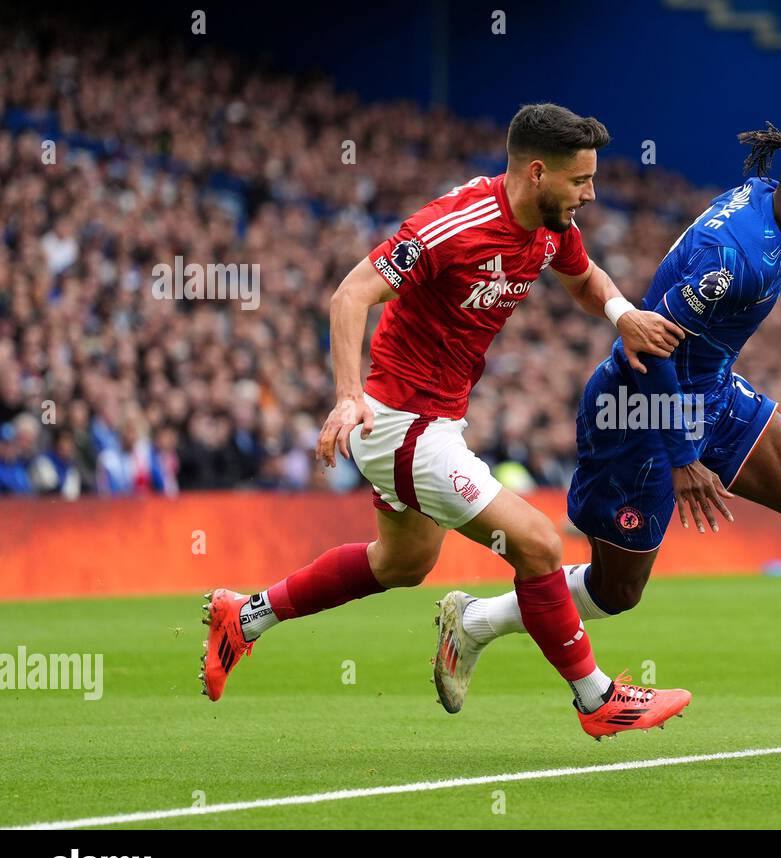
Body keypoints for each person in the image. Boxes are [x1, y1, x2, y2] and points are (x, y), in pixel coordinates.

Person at [200, 103, 692, 740]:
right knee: (539, 544)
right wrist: (348, 395)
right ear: (537, 172)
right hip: (400, 424)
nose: (590, 194)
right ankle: (597, 699)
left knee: (402, 563)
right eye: (580, 181)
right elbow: (351, 294)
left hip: (435, 422)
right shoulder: (453, 227)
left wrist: (621, 313)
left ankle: (245, 616)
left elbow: (584, 277)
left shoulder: (549, 226)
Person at [437, 124, 781, 734]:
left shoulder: (764, 205)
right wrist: (681, 456)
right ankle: (476, 622)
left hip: (712, 393)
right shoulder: (736, 262)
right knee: (617, 591)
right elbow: (645, 349)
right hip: (638, 414)